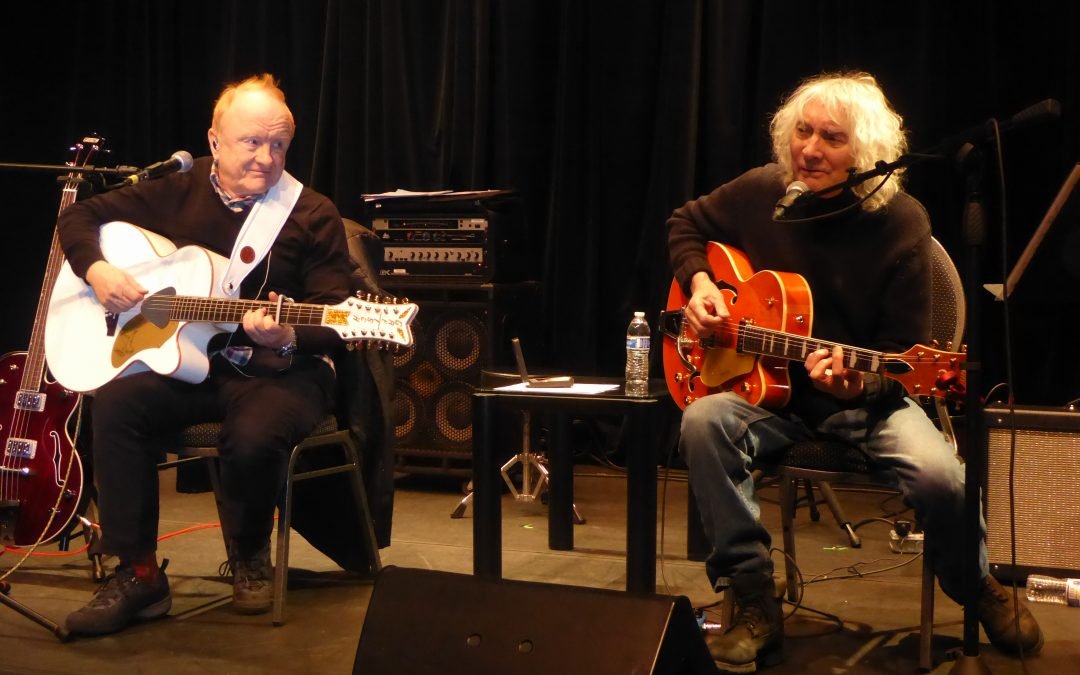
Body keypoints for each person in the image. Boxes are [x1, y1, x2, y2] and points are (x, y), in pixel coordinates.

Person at [667, 71, 1043, 671]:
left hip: (868, 402)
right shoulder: (764, 191)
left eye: (831, 138)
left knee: (943, 478)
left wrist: (858, 383)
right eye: (803, 132)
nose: (809, 149)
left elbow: (903, 359)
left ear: (867, 153)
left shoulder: (901, 222)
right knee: (703, 421)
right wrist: (703, 284)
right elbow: (684, 224)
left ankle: (976, 586)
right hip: (773, 398)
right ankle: (752, 593)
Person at [58, 73, 356, 636]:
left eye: (280, 145)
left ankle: (248, 556)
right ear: (214, 141)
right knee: (118, 404)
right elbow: (77, 218)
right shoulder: (176, 185)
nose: (267, 158)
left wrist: (287, 335)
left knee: (253, 431)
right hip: (192, 362)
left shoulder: (311, 212)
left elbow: (336, 315)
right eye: (252, 142)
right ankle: (138, 573)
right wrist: (97, 270)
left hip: (278, 369)